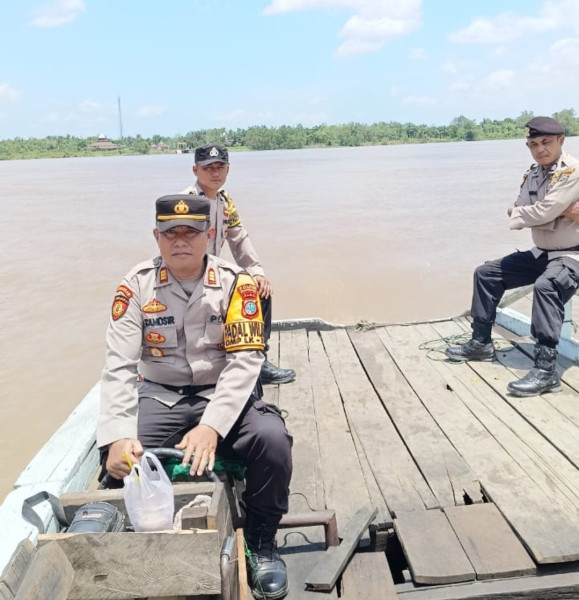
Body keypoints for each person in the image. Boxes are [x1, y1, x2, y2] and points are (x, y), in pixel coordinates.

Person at [97, 194, 292, 600]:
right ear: (157, 236)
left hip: (222, 395)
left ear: (208, 235)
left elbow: (245, 363)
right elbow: (118, 366)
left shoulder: (236, 284)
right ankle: (128, 538)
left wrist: (211, 426)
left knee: (272, 440)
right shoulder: (134, 287)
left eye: (190, 232)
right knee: (116, 463)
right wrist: (116, 435)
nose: (180, 240)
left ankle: (262, 541)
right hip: (159, 396)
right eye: (170, 232)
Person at [445, 116, 579, 397]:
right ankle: (481, 344)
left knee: (547, 286)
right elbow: (526, 207)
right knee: (486, 273)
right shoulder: (532, 173)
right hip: (541, 252)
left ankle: (546, 371)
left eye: (545, 142)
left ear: (561, 141)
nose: (539, 149)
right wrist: (547, 213)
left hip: (571, 255)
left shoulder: (572, 172)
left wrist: (532, 213)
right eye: (533, 144)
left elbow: (537, 212)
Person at [180, 143, 296, 385]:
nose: (215, 173)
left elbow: (239, 239)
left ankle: (258, 362)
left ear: (228, 170)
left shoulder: (225, 203)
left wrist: (256, 272)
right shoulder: (186, 203)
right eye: (208, 167)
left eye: (220, 167)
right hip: (188, 277)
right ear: (195, 170)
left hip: (213, 273)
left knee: (258, 290)